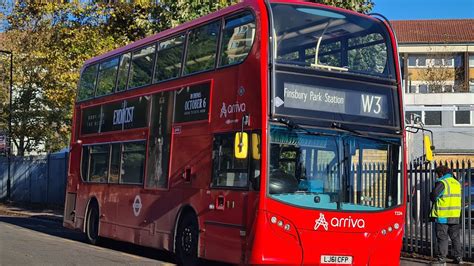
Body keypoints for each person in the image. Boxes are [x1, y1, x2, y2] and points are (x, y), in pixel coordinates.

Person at [430, 165, 463, 264]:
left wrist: (431, 194)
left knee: (442, 237)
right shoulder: (457, 183)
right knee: (455, 237)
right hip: (455, 215)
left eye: (437, 174)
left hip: (443, 216)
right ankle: (458, 258)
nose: (437, 176)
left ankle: (441, 259)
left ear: (441, 173)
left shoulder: (442, 182)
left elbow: (434, 196)